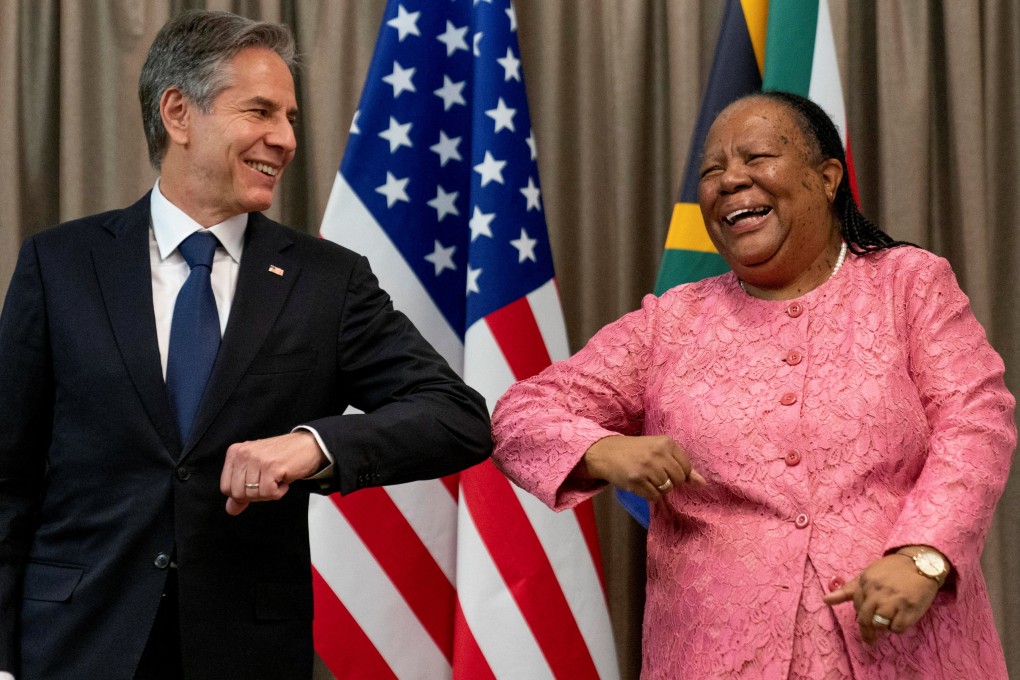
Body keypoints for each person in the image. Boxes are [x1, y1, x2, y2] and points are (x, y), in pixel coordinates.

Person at [0, 10, 491, 680]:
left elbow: (456, 417)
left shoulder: (329, 282)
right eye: (261, 111)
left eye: (290, 117)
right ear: (178, 113)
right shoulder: (59, 265)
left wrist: (312, 446)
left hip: (246, 652)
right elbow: (8, 478)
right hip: (74, 645)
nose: (286, 139)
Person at [492, 90, 1016, 678]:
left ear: (827, 177)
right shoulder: (672, 322)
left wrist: (923, 556)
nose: (730, 181)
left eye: (757, 157)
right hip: (713, 655)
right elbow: (521, 412)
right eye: (712, 170)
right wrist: (601, 449)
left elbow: (975, 421)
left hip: (900, 648)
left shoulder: (909, 284)